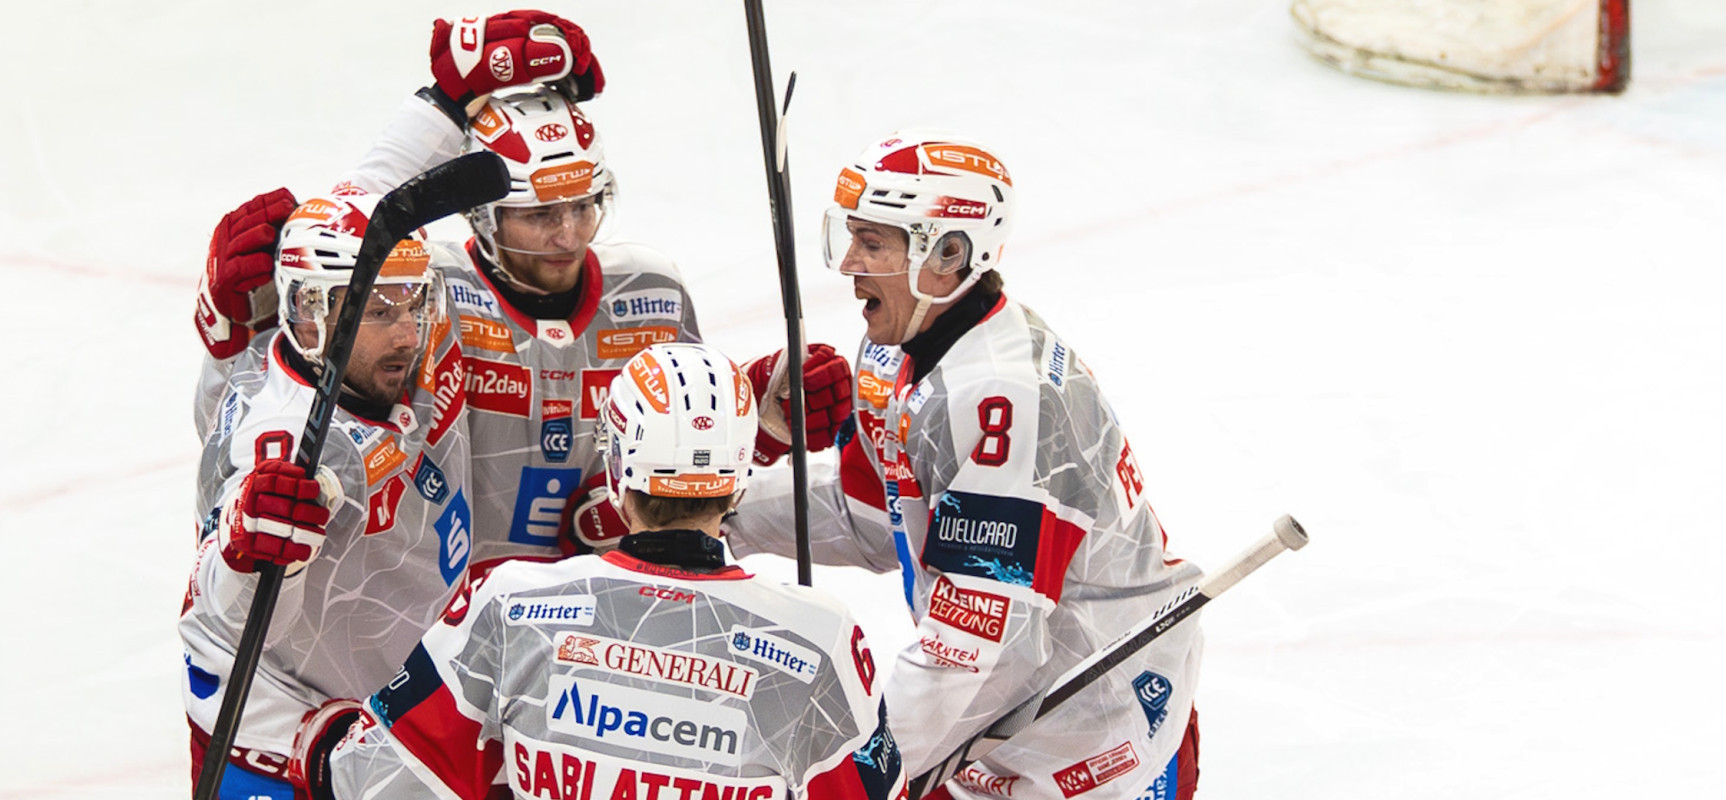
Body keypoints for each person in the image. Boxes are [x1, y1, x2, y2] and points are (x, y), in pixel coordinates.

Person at [191, 10, 852, 576]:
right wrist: (232, 331)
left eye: (584, 205)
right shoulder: (427, 293)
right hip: (430, 616)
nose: (567, 235)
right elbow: (278, 387)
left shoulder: (653, 291)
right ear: (481, 215)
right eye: (538, 214)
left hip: (596, 608)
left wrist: (753, 421)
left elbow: (661, 482)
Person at [724, 131, 1206, 800]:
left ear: (950, 253)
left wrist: (861, 774)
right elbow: (871, 516)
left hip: (1089, 742)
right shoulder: (897, 352)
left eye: (874, 243)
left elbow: (985, 645)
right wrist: (711, 507)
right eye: (851, 236)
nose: (849, 265)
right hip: (1002, 720)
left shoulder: (1000, 398)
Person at [301, 343, 903, 800]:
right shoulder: (822, 638)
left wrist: (320, 738)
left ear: (616, 468)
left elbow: (373, 780)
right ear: (741, 473)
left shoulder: (513, 604)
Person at [181, 190, 473, 800]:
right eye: (375, 311)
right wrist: (245, 547)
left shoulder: (392, 341)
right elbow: (224, 611)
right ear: (311, 315)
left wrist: (439, 111)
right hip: (281, 746)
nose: (405, 334)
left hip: (391, 723)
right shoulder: (283, 441)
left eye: (411, 303)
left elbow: (371, 209)